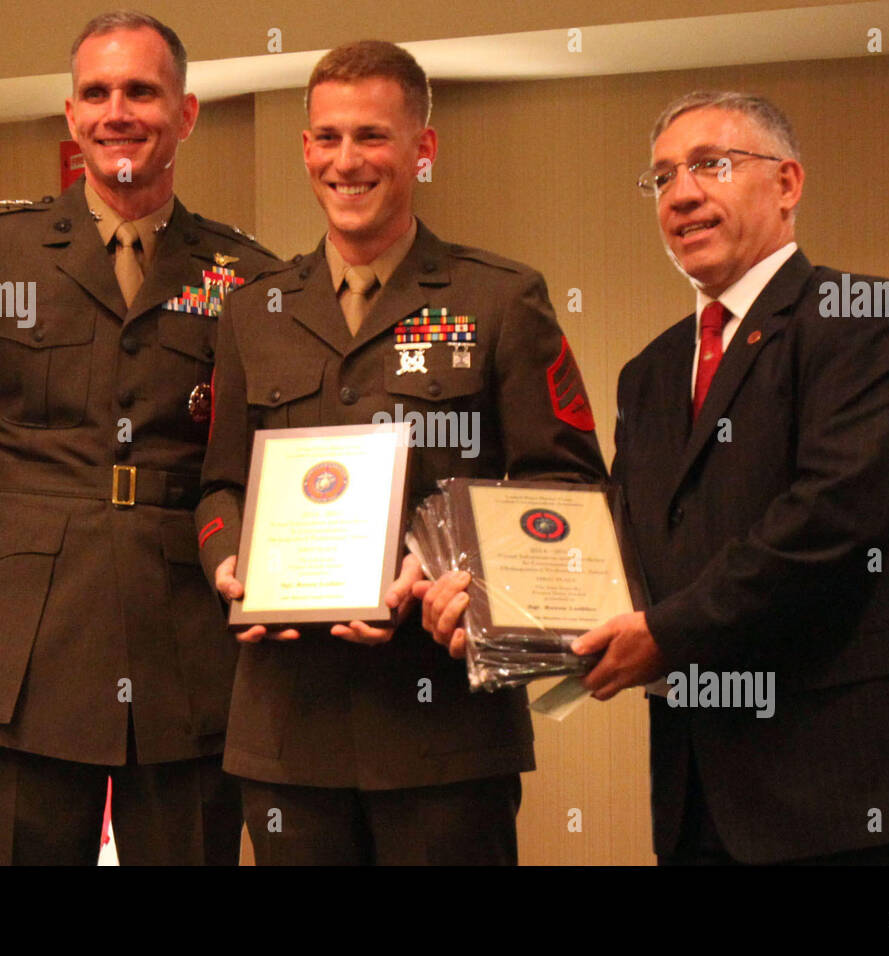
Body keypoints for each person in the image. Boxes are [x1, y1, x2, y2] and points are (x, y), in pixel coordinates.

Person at [197, 40, 605, 865]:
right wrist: (230, 564)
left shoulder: (499, 300)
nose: (347, 161)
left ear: (423, 148)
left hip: (444, 734)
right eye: (327, 138)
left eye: (373, 137)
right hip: (286, 737)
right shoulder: (254, 313)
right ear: (307, 149)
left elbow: (568, 492)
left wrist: (459, 570)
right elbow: (219, 486)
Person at [0, 11, 277, 865]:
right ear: (71, 116)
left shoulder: (248, 276)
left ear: (186, 113)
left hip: (189, 657)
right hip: (21, 656)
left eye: (142, 91)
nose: (118, 112)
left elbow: (262, 473)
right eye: (96, 93)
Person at [570, 91, 889, 863]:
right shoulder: (647, 373)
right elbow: (622, 543)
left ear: (787, 184)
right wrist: (499, 608)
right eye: (661, 178)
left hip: (852, 795)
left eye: (710, 165)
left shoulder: (865, 317)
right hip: (699, 797)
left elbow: (833, 519)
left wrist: (668, 633)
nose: (681, 193)